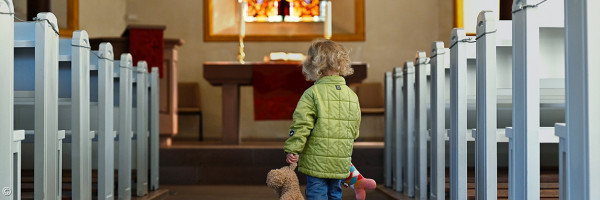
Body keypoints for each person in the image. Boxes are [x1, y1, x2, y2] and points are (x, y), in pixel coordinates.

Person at [284, 39, 361, 200]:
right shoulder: (351, 95)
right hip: (341, 159)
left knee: (317, 194)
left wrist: (294, 148)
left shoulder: (312, 93)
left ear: (313, 65)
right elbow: (355, 129)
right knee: (335, 194)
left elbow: (302, 124)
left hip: (316, 161)